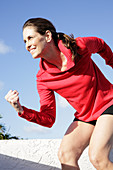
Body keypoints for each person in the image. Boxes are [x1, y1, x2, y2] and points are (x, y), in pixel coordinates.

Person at [5, 17, 113, 170]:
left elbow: (100, 45)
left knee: (97, 156)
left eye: (30, 38)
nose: (27, 45)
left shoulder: (79, 46)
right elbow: (48, 119)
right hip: (85, 116)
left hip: (108, 103)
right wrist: (21, 110)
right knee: (65, 155)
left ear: (47, 36)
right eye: (24, 42)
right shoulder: (43, 79)